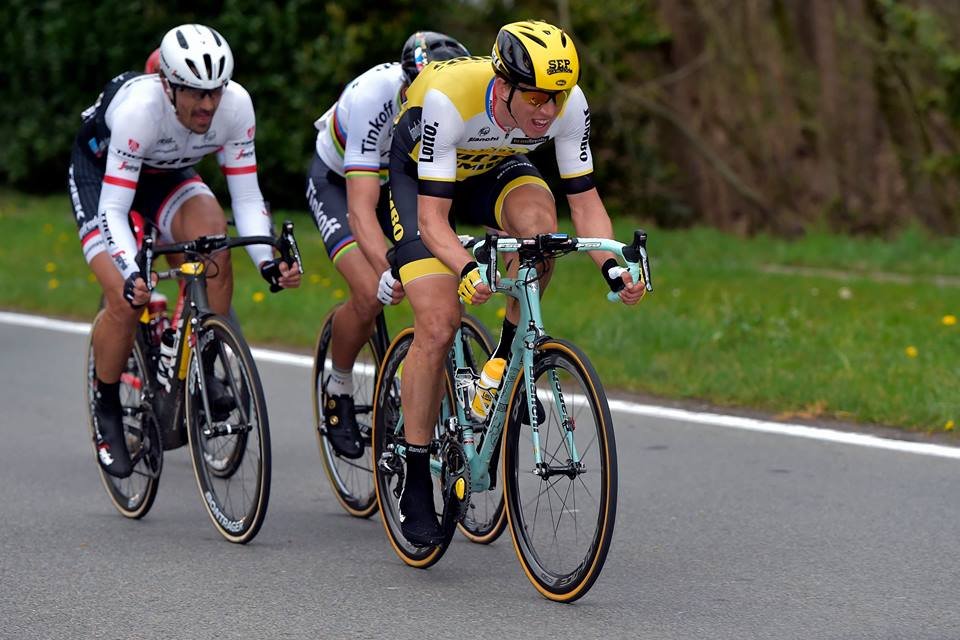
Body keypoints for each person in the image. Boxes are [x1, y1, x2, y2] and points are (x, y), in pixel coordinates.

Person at [386, 20, 646, 545]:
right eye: (535, 98)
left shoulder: (567, 106)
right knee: (438, 324)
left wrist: (614, 268)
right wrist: (466, 270)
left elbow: (586, 205)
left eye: (557, 98)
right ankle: (415, 471)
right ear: (502, 84)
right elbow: (435, 222)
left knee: (541, 232)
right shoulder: (448, 98)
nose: (547, 112)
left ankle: (504, 359)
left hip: (495, 168)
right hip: (424, 182)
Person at [70, 24, 301, 478]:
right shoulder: (140, 111)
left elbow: (248, 199)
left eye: (215, 90)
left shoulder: (237, 107)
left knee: (215, 242)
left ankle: (204, 366)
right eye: (195, 93)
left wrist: (270, 263)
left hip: (166, 175)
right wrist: (131, 270)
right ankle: (108, 405)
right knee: (124, 295)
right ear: (168, 86)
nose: (209, 104)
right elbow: (114, 209)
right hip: (104, 178)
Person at [306, 31, 469, 458]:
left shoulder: (452, 106)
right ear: (404, 79)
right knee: (367, 292)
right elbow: (362, 210)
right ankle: (337, 386)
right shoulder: (372, 99)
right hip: (341, 185)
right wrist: (389, 270)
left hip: (400, 182)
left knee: (443, 282)